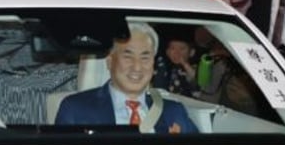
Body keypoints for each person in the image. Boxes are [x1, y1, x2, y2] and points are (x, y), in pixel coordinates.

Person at [54, 24, 197, 133]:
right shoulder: (76, 109)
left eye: (145, 57)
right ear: (110, 62)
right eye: (128, 56)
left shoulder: (173, 111)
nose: (137, 67)